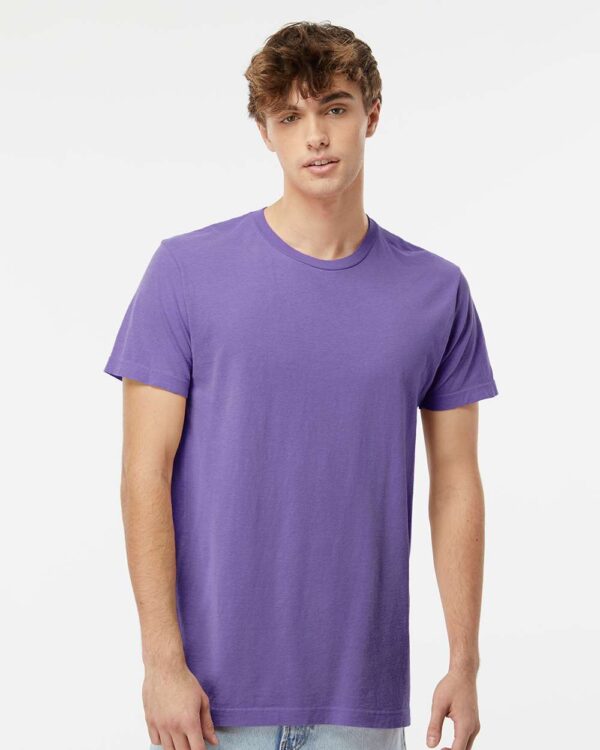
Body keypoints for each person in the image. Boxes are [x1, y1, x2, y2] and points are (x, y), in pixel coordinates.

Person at [103, 20, 498, 750]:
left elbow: (455, 483)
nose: (315, 136)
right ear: (266, 132)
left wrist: (464, 660)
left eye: (334, 108)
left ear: (371, 114)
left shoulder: (435, 291)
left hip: (362, 703)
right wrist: (160, 663)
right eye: (289, 117)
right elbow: (143, 473)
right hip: (210, 701)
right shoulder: (185, 273)